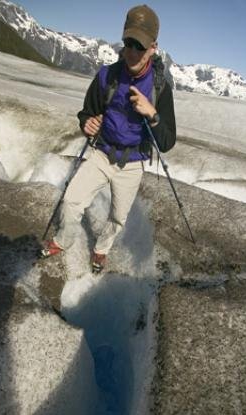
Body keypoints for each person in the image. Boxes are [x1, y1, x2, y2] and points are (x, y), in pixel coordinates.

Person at [42, 4, 176, 272]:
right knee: (71, 200)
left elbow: (167, 141)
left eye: (140, 45)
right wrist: (87, 124)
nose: (133, 52)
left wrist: (152, 114)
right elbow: (87, 113)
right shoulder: (107, 75)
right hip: (102, 153)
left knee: (117, 217)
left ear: (153, 47)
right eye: (129, 43)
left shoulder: (161, 89)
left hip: (133, 162)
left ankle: (101, 250)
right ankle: (63, 240)